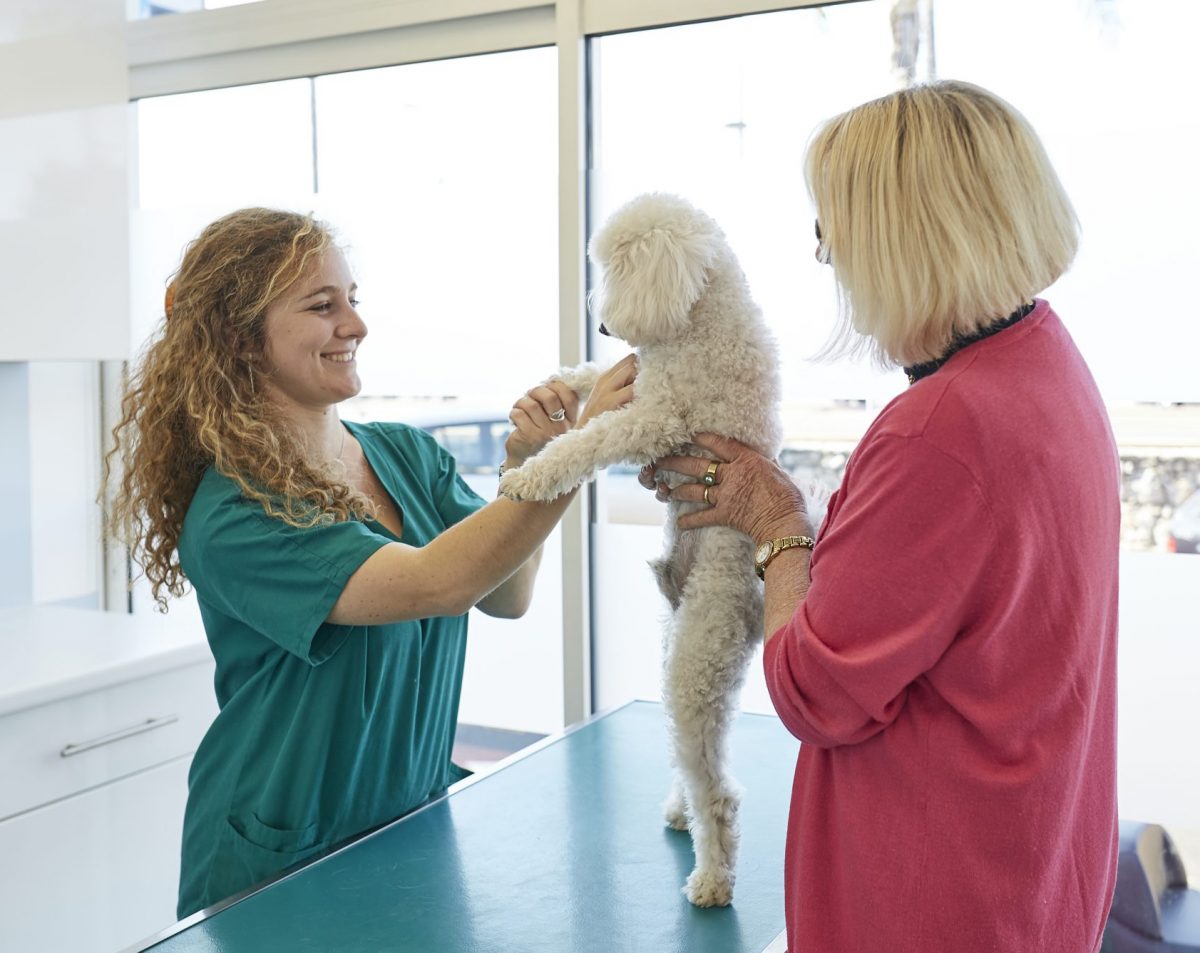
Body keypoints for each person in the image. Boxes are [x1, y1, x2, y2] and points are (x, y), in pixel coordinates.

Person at [649, 81, 1119, 952]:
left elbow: (812, 692)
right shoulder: (1051, 368)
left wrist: (778, 521)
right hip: (1035, 874)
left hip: (930, 902)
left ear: (901, 240)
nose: (826, 254)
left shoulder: (939, 428)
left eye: (833, 230)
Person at [104, 207, 637, 919]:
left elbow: (505, 593)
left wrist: (532, 462)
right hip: (278, 858)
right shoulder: (236, 513)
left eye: (352, 300)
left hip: (410, 828)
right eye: (322, 306)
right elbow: (438, 582)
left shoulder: (403, 453)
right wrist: (583, 450)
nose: (354, 325)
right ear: (240, 338)